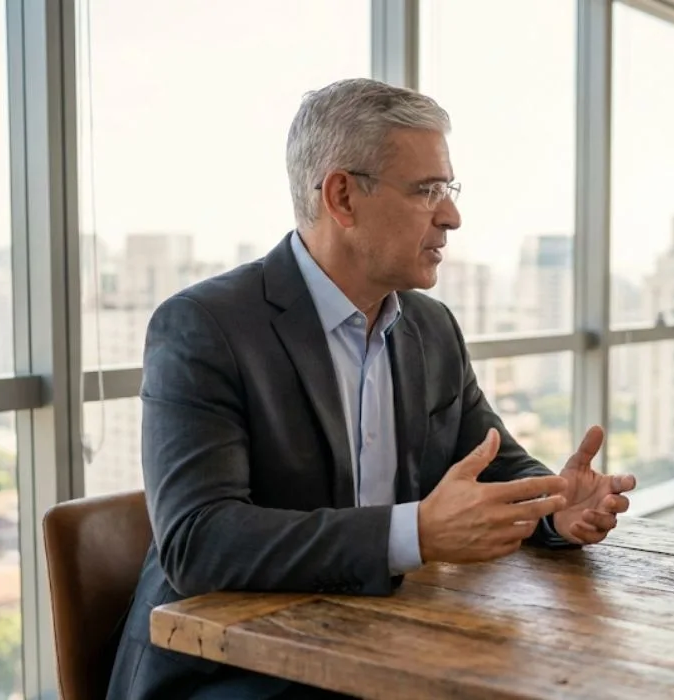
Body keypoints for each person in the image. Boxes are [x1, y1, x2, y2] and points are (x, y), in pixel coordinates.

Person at [108, 78, 636, 699]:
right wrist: (414, 534)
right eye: (426, 190)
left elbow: (493, 462)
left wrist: (555, 507)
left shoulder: (431, 327)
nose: (452, 216)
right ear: (342, 196)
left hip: (376, 645)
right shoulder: (205, 326)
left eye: (448, 190)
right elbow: (198, 541)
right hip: (228, 674)